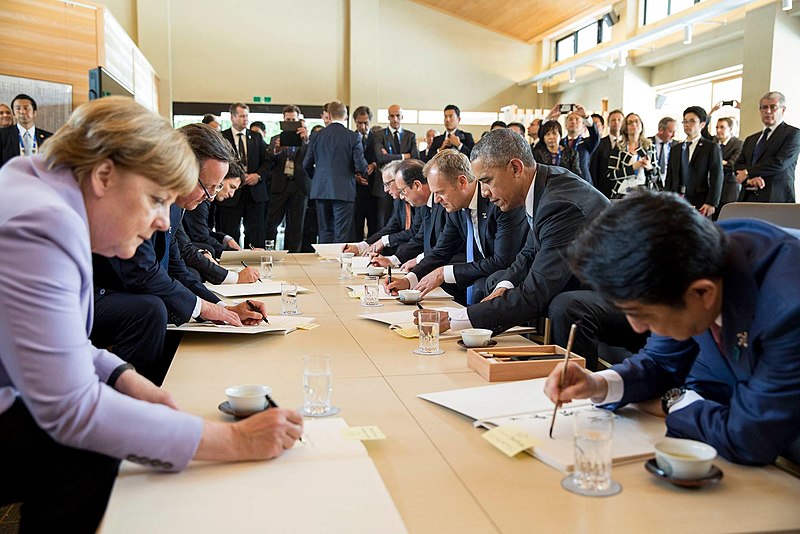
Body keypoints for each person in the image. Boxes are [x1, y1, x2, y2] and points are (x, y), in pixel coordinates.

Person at [0, 97, 302, 532]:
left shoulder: (40, 189)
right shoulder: (42, 224)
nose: (164, 221)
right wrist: (234, 440)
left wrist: (124, 376)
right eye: (157, 199)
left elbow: (56, 340)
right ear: (104, 174)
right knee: (92, 446)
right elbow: (72, 411)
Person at [544, 190, 800, 466]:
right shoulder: (689, 259)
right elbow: (661, 363)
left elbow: (748, 438)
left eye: (642, 314)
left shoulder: (789, 308)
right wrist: (597, 384)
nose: (637, 328)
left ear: (703, 294)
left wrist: (672, 401)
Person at [91, 123, 264, 384]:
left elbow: (175, 265)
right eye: (210, 188)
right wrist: (203, 308)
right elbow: (142, 273)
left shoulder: (176, 203)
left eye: (217, 189)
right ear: (182, 169)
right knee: (151, 309)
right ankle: (131, 398)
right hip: (91, 295)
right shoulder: (137, 192)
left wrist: (221, 308)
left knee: (174, 304)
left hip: (123, 290)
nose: (211, 198)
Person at [420, 128, 609, 335]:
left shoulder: (559, 204)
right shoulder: (542, 188)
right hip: (582, 278)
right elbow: (528, 253)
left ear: (516, 168)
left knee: (565, 305)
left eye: (487, 181)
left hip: (624, 294)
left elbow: (536, 291)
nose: (484, 192)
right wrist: (505, 285)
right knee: (500, 281)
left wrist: (460, 318)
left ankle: (572, 367)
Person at [387, 149, 527, 305]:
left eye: (440, 192)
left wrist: (443, 273)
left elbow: (502, 261)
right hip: (482, 273)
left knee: (479, 286)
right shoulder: (455, 209)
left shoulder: (498, 201)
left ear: (462, 182)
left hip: (509, 276)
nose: (437, 200)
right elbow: (440, 252)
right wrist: (408, 280)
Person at [303, 100, 368, 243]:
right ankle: (338, 263)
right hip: (344, 190)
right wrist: (360, 173)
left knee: (325, 231)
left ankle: (325, 261)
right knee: (342, 232)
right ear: (345, 116)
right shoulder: (353, 137)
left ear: (330, 115)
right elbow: (361, 165)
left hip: (321, 189)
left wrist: (318, 178)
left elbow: (306, 164)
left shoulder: (317, 136)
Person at [217, 103, 271, 248]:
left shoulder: (256, 137)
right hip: (231, 193)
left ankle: (253, 261)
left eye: (247, 116)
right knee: (230, 230)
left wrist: (258, 175)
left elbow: (267, 161)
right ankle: (231, 261)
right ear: (233, 117)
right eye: (241, 116)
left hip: (254, 192)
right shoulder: (222, 137)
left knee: (255, 232)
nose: (245, 119)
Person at [735, 91, 800, 203]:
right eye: (764, 107)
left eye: (773, 107)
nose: (768, 111)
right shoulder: (751, 139)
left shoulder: (793, 134)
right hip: (748, 197)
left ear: (783, 110)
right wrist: (750, 179)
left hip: (776, 197)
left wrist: (748, 172)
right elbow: (738, 164)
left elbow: (780, 163)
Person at [266, 105, 311, 252]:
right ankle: (268, 252)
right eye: (288, 120)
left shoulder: (307, 140)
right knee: (272, 223)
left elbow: (312, 159)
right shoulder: (275, 139)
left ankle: (293, 256)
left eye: (293, 120)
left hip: (299, 186)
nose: (290, 122)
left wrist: (307, 141)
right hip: (280, 185)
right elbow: (268, 159)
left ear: (299, 120)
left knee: (296, 226)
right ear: (283, 120)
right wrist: (277, 150)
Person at [665, 106, 723, 218]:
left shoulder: (711, 147)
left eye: (692, 121)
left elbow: (717, 176)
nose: (687, 124)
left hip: (701, 202)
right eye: (685, 121)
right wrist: (667, 199)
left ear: (702, 124)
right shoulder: (675, 148)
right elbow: (670, 177)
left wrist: (711, 202)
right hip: (677, 201)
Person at [607, 112, 658, 198]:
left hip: (644, 192)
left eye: (636, 121)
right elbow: (611, 175)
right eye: (629, 123)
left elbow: (656, 174)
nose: (634, 124)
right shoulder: (619, 148)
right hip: (623, 192)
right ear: (625, 129)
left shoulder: (649, 147)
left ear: (641, 126)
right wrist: (633, 167)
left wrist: (649, 167)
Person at [0, 94, 53, 168]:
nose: (22, 111)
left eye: (26, 108)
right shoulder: (3, 135)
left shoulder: (49, 138)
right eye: (18, 108)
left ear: (34, 113)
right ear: (14, 114)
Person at [589, 109, 624, 197]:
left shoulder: (628, 145)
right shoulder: (599, 143)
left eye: (619, 120)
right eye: (613, 120)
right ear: (608, 123)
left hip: (622, 190)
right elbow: (594, 169)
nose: (616, 122)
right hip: (603, 190)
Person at [650, 116, 678, 189]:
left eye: (675, 132)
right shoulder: (647, 143)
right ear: (661, 130)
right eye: (671, 132)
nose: (674, 135)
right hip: (651, 184)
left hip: (668, 185)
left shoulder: (676, 146)